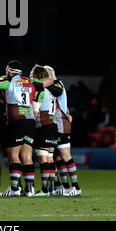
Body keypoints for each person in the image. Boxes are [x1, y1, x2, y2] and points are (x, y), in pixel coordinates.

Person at [0, 60, 54, 197]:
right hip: (30, 122)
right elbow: (49, 81)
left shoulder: (9, 82)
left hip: (17, 123)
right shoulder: (30, 82)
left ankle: (15, 188)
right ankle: (30, 189)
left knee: (13, 155)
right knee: (27, 156)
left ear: (9, 71)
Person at [44, 65, 81, 196]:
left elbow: (60, 105)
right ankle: (65, 186)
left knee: (64, 155)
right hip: (59, 120)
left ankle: (75, 186)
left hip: (60, 122)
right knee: (57, 156)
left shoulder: (55, 84)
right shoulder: (58, 84)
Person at [30, 65, 60, 197]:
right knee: (49, 158)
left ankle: (44, 189)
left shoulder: (40, 91)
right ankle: (51, 188)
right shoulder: (52, 91)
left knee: (43, 159)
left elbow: (35, 113)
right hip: (53, 126)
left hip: (43, 127)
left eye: (32, 74)